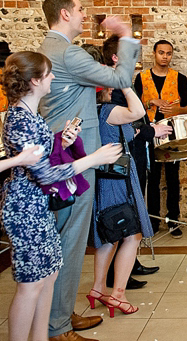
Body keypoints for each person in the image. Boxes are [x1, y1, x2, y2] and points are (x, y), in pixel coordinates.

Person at [38, 0, 140, 341]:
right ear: (65, 14)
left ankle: (60, 315)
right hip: (74, 158)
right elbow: (121, 78)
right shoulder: (67, 52)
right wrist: (125, 35)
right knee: (69, 242)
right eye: (80, 9)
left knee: (68, 240)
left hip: (64, 155)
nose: (85, 15)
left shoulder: (49, 49)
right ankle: (57, 327)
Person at [1, 51, 121, 341]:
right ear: (34, 80)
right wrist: (92, 158)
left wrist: (61, 141)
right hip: (24, 208)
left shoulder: (31, 114)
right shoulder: (20, 119)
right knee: (31, 284)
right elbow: (45, 174)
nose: (53, 77)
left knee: (50, 275)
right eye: (49, 73)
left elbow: (40, 156)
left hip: (39, 205)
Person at [102, 36, 170, 289]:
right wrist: (153, 132)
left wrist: (149, 128)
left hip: (135, 155)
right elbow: (125, 125)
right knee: (123, 214)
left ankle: (130, 263)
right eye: (132, 55)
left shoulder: (123, 84)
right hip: (122, 158)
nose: (138, 60)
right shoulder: (113, 87)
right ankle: (116, 276)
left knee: (131, 212)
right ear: (116, 58)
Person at [86, 85, 152, 317]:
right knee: (132, 234)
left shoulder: (90, 109)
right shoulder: (107, 110)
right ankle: (118, 294)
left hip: (102, 177)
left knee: (109, 234)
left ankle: (98, 288)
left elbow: (122, 133)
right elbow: (137, 112)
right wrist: (125, 84)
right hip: (117, 178)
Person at [134, 40, 187, 238]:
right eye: (161, 52)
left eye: (168, 53)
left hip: (172, 132)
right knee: (151, 178)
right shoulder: (141, 78)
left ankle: (173, 220)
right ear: (154, 54)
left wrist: (175, 109)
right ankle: (151, 221)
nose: (165, 56)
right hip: (148, 133)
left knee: (172, 178)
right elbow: (132, 107)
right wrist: (150, 101)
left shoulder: (180, 78)